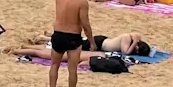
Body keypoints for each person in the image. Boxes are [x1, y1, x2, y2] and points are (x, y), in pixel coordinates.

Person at [47, 0, 92, 87]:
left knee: (54, 65)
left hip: (58, 34)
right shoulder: (81, 2)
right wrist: (91, 41)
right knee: (72, 69)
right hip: (73, 37)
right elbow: (85, 24)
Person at [18, 30, 152, 65]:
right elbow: (125, 52)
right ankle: (46, 38)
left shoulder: (131, 38)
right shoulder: (127, 38)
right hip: (100, 43)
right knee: (73, 42)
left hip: (102, 43)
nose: (135, 50)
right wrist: (134, 42)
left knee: (77, 40)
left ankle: (48, 36)